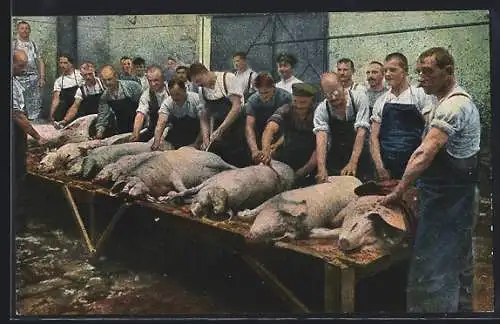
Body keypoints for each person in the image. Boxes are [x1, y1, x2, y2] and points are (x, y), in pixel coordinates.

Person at [380, 47, 480, 313]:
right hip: (450, 194)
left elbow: (424, 153)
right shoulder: (439, 101)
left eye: (429, 71)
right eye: (419, 71)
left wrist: (400, 190)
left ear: (448, 72)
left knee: (433, 271)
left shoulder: (453, 106)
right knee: (459, 265)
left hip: (450, 199)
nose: (422, 77)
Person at [370, 52, 435, 180]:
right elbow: (373, 138)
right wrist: (380, 167)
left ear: (404, 71)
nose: (387, 74)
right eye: (385, 70)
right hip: (387, 168)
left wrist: (416, 166)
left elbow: (428, 133)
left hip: (414, 166)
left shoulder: (420, 95)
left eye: (393, 70)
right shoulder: (381, 101)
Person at [189, 62, 251, 167]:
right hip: (219, 131)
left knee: (238, 163)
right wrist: (205, 138)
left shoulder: (227, 79)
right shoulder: (202, 90)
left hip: (237, 127)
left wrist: (220, 129)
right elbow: (204, 115)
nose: (200, 85)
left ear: (205, 72)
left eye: (199, 81)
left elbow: (236, 107)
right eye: (197, 83)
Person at [12, 50, 48, 232]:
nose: (24, 69)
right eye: (20, 66)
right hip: (13, 134)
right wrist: (38, 137)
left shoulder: (15, 81)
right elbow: (17, 115)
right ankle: (18, 225)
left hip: (16, 131)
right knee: (17, 176)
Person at [314, 72, 372, 183]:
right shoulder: (322, 109)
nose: (333, 96)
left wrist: (353, 162)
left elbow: (361, 132)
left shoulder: (359, 98)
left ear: (342, 85)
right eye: (328, 93)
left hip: (360, 158)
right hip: (336, 158)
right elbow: (321, 139)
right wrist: (321, 169)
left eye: (335, 91)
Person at [261, 83, 318, 187]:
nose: (299, 106)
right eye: (295, 101)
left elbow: (321, 146)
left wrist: (305, 170)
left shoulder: (318, 113)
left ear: (312, 101)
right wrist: (266, 150)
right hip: (287, 156)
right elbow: (270, 128)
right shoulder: (286, 109)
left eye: (303, 102)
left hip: (311, 159)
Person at [244, 72, 292, 164]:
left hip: (283, 134)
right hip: (260, 133)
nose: (263, 96)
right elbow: (249, 127)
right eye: (260, 92)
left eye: (266, 92)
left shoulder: (286, 98)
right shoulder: (253, 100)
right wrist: (254, 150)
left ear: (273, 87)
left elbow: (291, 127)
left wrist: (277, 144)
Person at [151, 77, 205, 150]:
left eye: (177, 94)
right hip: (177, 134)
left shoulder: (197, 99)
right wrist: (156, 142)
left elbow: (204, 124)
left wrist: (196, 144)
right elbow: (160, 123)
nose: (175, 98)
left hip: (195, 134)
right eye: (172, 95)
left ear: (185, 90)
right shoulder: (168, 103)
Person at [95, 65, 143, 139]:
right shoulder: (105, 97)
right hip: (122, 128)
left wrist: (140, 128)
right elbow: (102, 117)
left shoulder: (133, 87)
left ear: (116, 76)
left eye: (109, 79)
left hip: (140, 125)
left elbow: (144, 107)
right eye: (104, 80)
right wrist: (99, 134)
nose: (107, 83)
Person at [12, 20, 46, 121]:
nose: (24, 30)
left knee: (34, 103)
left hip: (33, 78)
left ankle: (34, 124)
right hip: (17, 78)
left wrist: (42, 78)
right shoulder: (13, 44)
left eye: (27, 28)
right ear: (18, 30)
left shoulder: (34, 44)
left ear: (30, 30)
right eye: (22, 28)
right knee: (18, 103)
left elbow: (40, 61)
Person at [54, 62, 105, 128]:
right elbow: (75, 106)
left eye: (90, 74)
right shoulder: (81, 90)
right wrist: (65, 120)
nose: (88, 77)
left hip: (105, 115)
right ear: (81, 75)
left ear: (95, 72)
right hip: (90, 119)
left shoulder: (103, 84)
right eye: (85, 75)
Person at [130, 65, 170, 142]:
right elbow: (140, 114)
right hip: (153, 129)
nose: (152, 84)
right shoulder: (146, 95)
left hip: (171, 128)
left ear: (163, 79)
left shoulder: (171, 90)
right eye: (150, 81)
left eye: (156, 80)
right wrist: (136, 132)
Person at [49, 54, 84, 122]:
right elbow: (56, 99)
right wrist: (51, 114)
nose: (62, 65)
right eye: (61, 63)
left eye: (65, 63)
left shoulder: (80, 75)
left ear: (71, 64)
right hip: (66, 107)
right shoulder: (59, 81)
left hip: (80, 105)